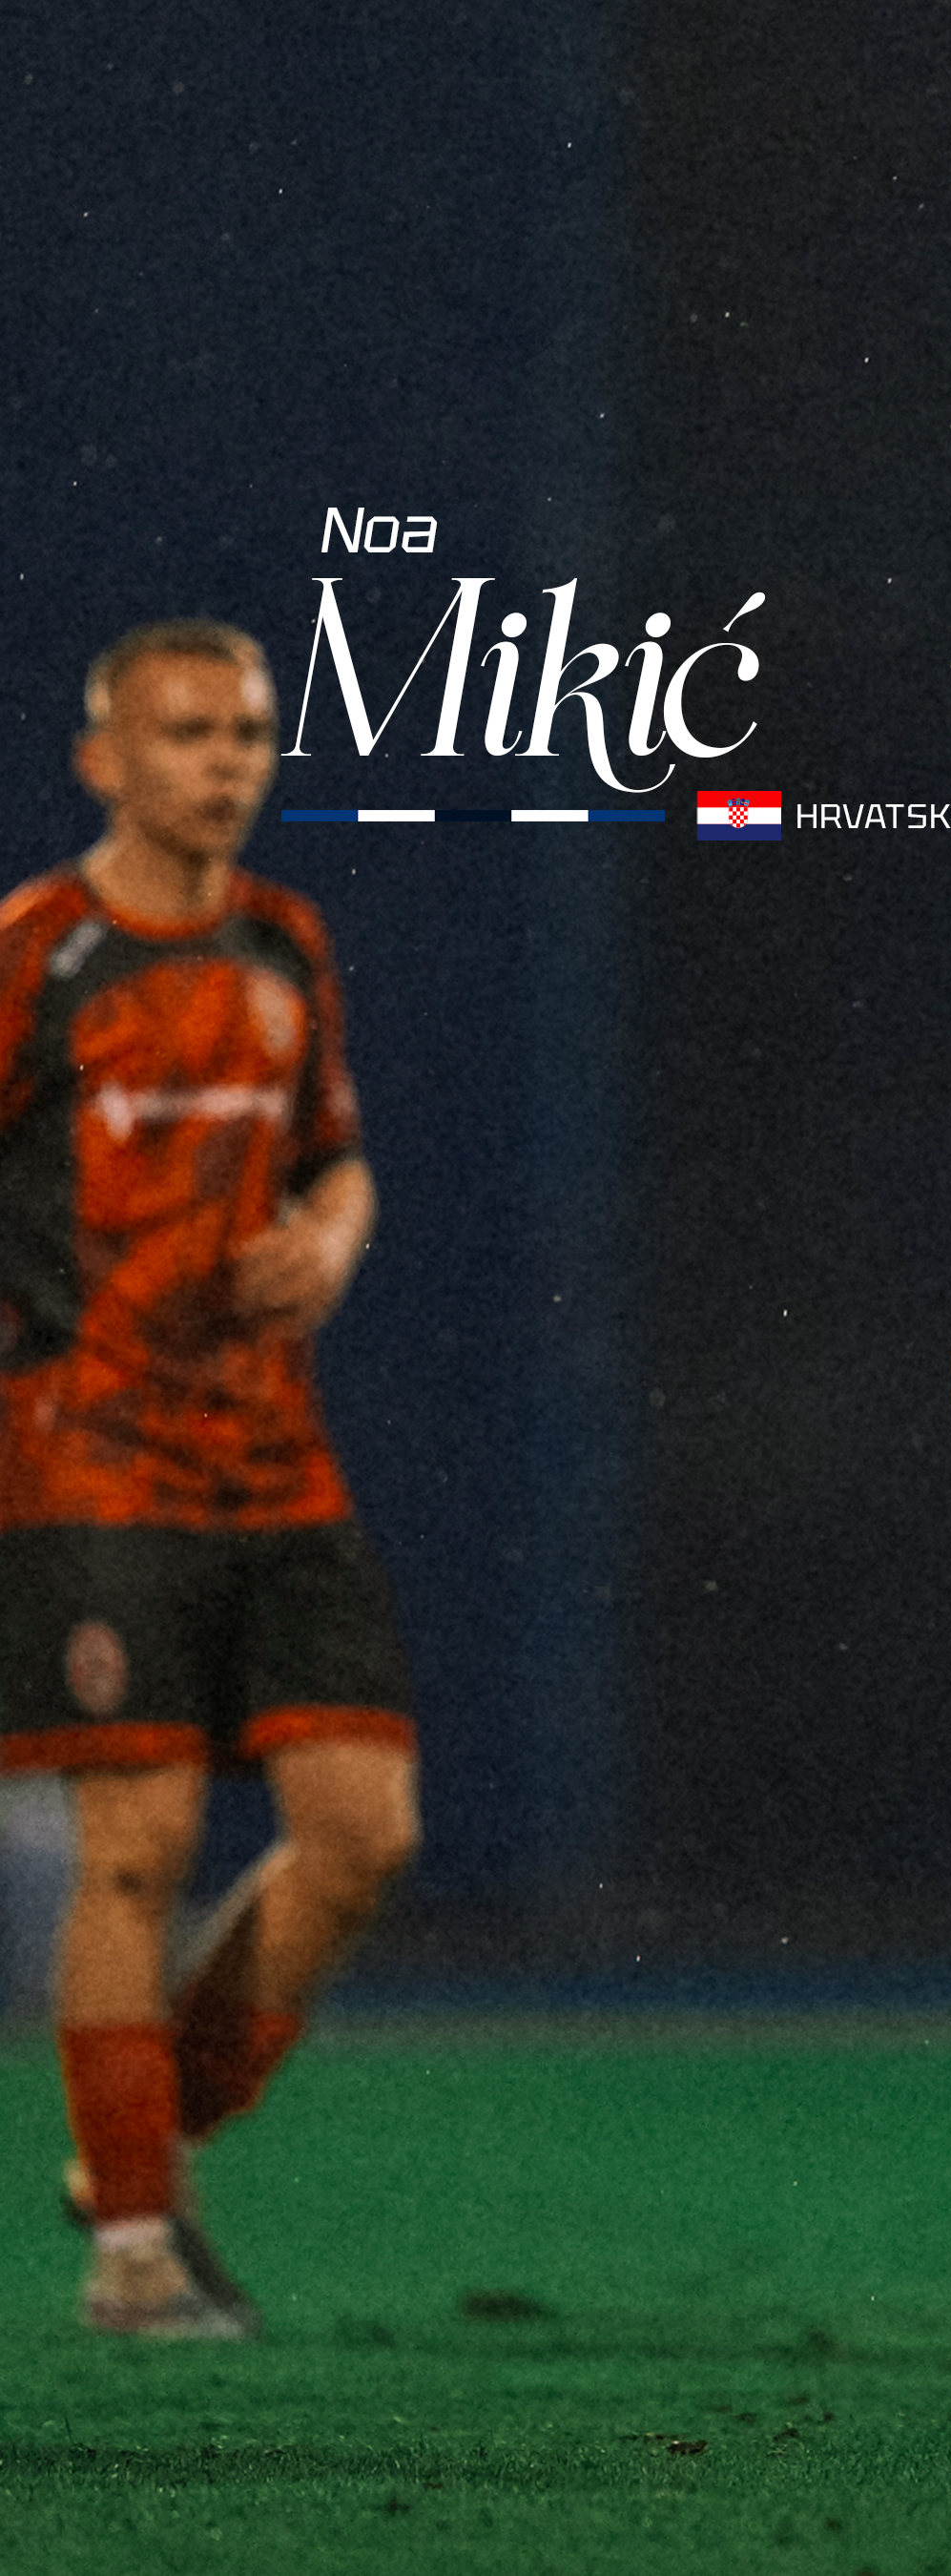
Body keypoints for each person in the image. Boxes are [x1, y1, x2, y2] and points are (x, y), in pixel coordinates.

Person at [0, 620, 420, 2337]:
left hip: (270, 1456)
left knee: (362, 1833)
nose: (226, 762)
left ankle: (135, 2152)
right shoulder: (37, 953)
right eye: (185, 734)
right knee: (140, 1844)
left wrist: (332, 1235)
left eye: (246, 731)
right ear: (103, 761)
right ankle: (134, 2257)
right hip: (88, 1458)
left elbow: (339, 1159)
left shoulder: (282, 940)